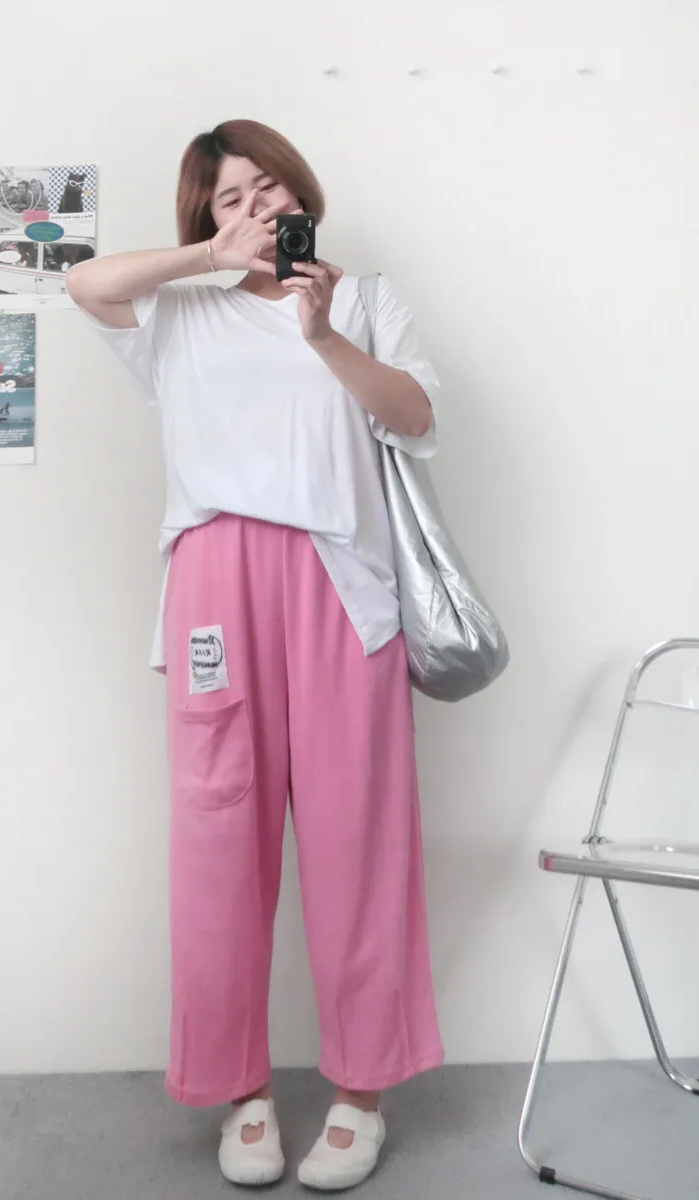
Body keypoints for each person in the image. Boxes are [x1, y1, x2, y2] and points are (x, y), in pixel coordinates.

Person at [67, 119, 443, 1193]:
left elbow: (417, 418)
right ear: (206, 216)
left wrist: (324, 334)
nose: (257, 208)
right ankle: (242, 1091)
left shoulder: (366, 300)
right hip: (215, 587)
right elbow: (83, 284)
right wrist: (208, 255)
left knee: (357, 841)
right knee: (217, 842)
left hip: (341, 586)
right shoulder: (179, 311)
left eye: (268, 188)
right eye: (231, 197)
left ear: (302, 193)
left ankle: (361, 1091)